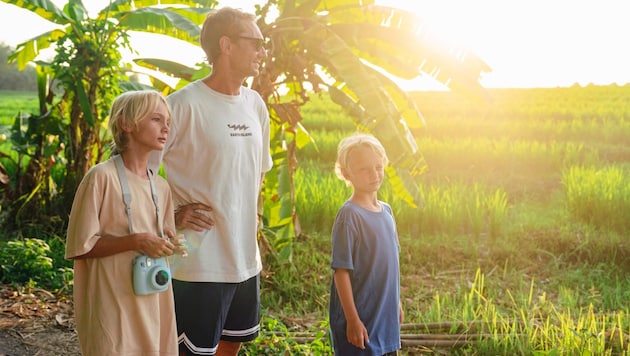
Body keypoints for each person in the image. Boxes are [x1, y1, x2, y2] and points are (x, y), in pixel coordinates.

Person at [148, 6, 272, 356]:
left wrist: (254, 219)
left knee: (231, 345)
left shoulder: (255, 105)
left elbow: (258, 172)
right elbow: (138, 171)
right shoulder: (183, 105)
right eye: (257, 43)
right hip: (197, 263)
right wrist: (168, 218)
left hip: (245, 259)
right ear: (226, 45)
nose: (263, 51)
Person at [66, 90, 186, 355]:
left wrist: (170, 242)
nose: (166, 127)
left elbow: (163, 240)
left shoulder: (161, 187)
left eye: (167, 121)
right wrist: (136, 241)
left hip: (152, 300)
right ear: (126, 124)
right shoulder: (100, 178)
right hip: (113, 302)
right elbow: (81, 247)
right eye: (156, 119)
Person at [329, 133, 404, 355]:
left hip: (384, 317)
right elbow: (341, 272)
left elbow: (391, 265)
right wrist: (352, 319)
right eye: (364, 169)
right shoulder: (349, 216)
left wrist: (396, 302)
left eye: (378, 167)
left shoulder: (387, 212)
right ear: (346, 173)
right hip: (360, 319)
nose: (374, 174)